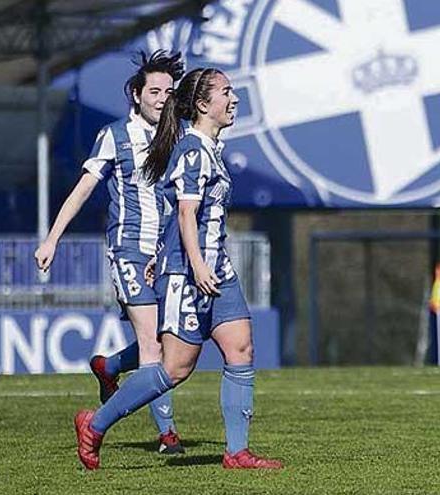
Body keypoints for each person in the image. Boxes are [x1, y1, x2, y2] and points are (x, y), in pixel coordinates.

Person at [73, 67, 282, 471]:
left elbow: (181, 216)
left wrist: (198, 262)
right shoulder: (192, 149)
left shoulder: (209, 149)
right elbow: (186, 214)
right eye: (225, 92)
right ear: (203, 104)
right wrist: (196, 267)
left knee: (241, 348)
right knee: (174, 368)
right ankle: (95, 425)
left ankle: (236, 453)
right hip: (191, 274)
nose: (234, 99)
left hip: (217, 270)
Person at [35, 50, 186, 454]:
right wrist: (52, 238)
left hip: (167, 254)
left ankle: (111, 366)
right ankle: (168, 435)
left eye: (169, 92)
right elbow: (84, 188)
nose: (162, 98)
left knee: (173, 343)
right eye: (154, 91)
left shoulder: (179, 137)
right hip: (130, 252)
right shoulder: (115, 135)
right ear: (136, 95)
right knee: (155, 348)